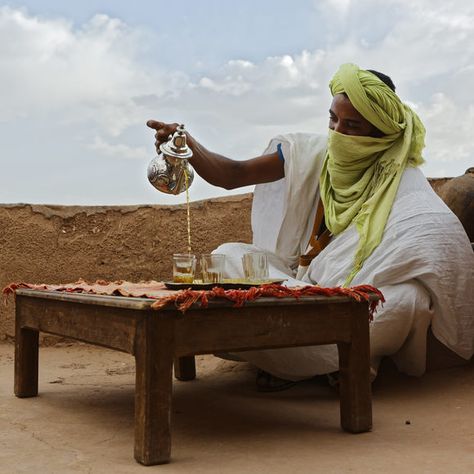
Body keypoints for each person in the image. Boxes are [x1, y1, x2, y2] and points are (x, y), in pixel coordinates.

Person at [147, 63, 474, 390]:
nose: (338, 133)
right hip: (298, 287)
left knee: (405, 301)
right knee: (226, 256)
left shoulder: (402, 180)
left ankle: (295, 354)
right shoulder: (312, 154)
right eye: (333, 119)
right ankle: (315, 357)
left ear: (380, 131)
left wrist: (349, 285)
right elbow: (233, 174)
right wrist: (186, 142)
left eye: (352, 125)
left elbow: (437, 237)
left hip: (346, 303)